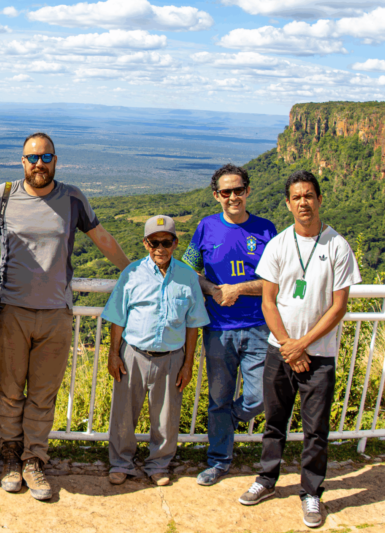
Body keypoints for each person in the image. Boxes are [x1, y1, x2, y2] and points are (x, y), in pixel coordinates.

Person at [0, 131, 130, 501]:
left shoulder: (72, 198)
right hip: (10, 309)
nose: (38, 164)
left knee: (43, 394)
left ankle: (34, 460)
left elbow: (101, 237)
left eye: (46, 157)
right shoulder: (5, 195)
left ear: (56, 160)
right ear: (21, 161)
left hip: (57, 312)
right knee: (10, 392)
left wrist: (134, 271)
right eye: (32, 157)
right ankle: (10, 456)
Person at [238, 170, 360, 530]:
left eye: (309, 195)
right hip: (280, 352)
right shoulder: (278, 244)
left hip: (318, 355)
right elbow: (269, 301)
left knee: (315, 429)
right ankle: (267, 479)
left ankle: (311, 493)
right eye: (297, 197)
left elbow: (338, 307)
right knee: (274, 422)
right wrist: (289, 347)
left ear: (319, 200)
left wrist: (301, 346)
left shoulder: (337, 246)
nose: (304, 202)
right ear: (288, 204)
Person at [182, 164, 277, 486]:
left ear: (248, 191)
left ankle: (225, 422)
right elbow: (188, 270)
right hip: (218, 329)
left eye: (238, 190)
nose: (233, 197)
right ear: (216, 196)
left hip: (259, 326)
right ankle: (218, 460)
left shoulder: (266, 229)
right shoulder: (206, 227)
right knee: (218, 397)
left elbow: (276, 279)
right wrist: (212, 290)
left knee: (260, 395)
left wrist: (239, 289)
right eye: (226, 192)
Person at [103, 215, 210, 486]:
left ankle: (159, 464)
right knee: (124, 414)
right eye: (154, 243)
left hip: (172, 356)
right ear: (145, 244)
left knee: (166, 417)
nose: (160, 248)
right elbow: (118, 317)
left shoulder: (188, 278)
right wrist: (113, 354)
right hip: (134, 354)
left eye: (166, 242)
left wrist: (188, 364)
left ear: (175, 243)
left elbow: (193, 324)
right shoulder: (132, 273)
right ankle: (120, 463)